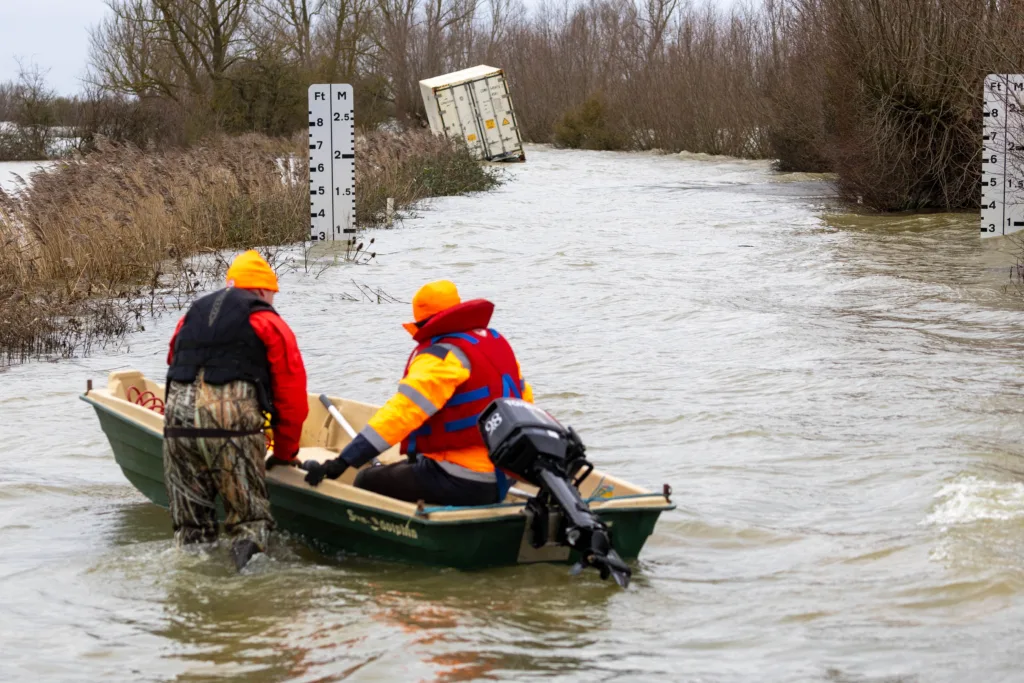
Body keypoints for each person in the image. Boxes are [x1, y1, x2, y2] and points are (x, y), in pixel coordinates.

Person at [304, 280, 532, 506]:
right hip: (506, 472)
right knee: (415, 464)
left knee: (366, 479)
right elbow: (525, 402)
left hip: (464, 479)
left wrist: (344, 461)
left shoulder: (440, 356)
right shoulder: (496, 344)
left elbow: (402, 413)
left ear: (422, 323)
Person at [163, 250, 308, 570]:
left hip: (176, 427)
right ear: (261, 290)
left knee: (191, 531)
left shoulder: (190, 316)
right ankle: (249, 598)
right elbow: (291, 396)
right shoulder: (267, 321)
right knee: (250, 524)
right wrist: (285, 452)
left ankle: (191, 598)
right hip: (231, 429)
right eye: (272, 294)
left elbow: (173, 363)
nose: (272, 300)